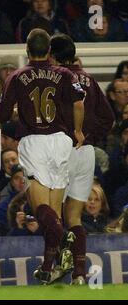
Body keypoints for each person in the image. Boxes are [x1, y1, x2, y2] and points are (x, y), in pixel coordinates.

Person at [0, 28, 86, 284]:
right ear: (49, 50)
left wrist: (14, 111)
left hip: (34, 141)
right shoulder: (65, 73)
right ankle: (49, 267)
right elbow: (79, 102)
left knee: (40, 209)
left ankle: (65, 238)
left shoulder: (17, 76)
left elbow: (2, 115)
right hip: (61, 141)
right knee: (54, 213)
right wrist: (78, 131)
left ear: (26, 50)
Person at [49, 34, 115, 285]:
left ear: (52, 55)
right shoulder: (89, 79)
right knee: (74, 218)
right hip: (85, 151)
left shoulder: (54, 79)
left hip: (59, 149)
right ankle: (78, 274)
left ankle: (55, 267)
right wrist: (88, 136)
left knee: (54, 214)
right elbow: (108, 118)